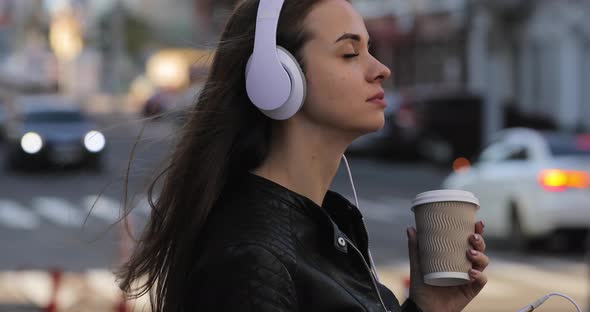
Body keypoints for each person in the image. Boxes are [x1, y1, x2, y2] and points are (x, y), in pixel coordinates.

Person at [117, 0, 489, 311]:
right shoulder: (252, 261)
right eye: (350, 53)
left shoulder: (324, 228)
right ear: (277, 80)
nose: (380, 70)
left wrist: (427, 307)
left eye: (370, 50)